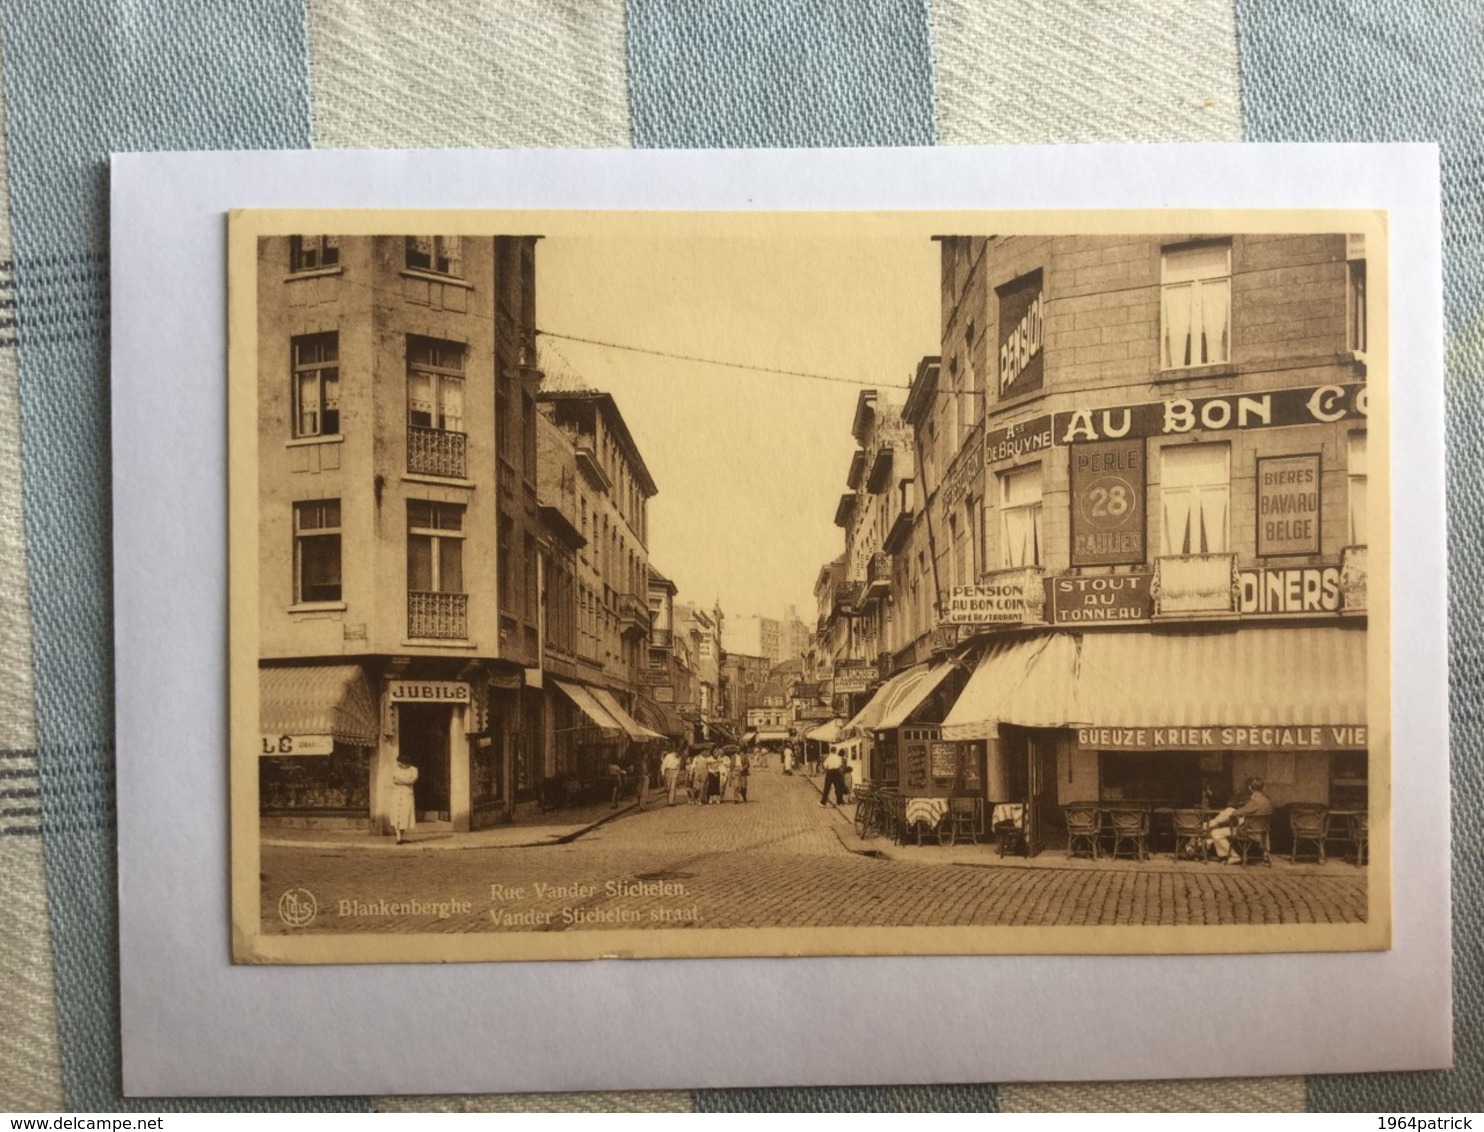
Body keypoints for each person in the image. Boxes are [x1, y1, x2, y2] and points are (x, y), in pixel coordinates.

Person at [1205, 777, 1275, 863]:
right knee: (1226, 817)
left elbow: (1237, 813)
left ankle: (1233, 856)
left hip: (1248, 832)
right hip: (1262, 832)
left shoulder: (1255, 801)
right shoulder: (1267, 801)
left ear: (1250, 788)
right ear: (1263, 788)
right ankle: (1209, 825)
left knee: (1216, 833)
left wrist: (1233, 812)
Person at [389, 754, 419, 844]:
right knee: (396, 815)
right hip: (396, 794)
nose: (398, 764)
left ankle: (400, 836)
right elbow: (394, 779)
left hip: (407, 795)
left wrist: (400, 780)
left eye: (400, 763)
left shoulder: (414, 769)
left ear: (405, 762)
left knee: (405, 815)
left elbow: (412, 780)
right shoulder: (396, 769)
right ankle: (398, 837)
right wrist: (405, 780)